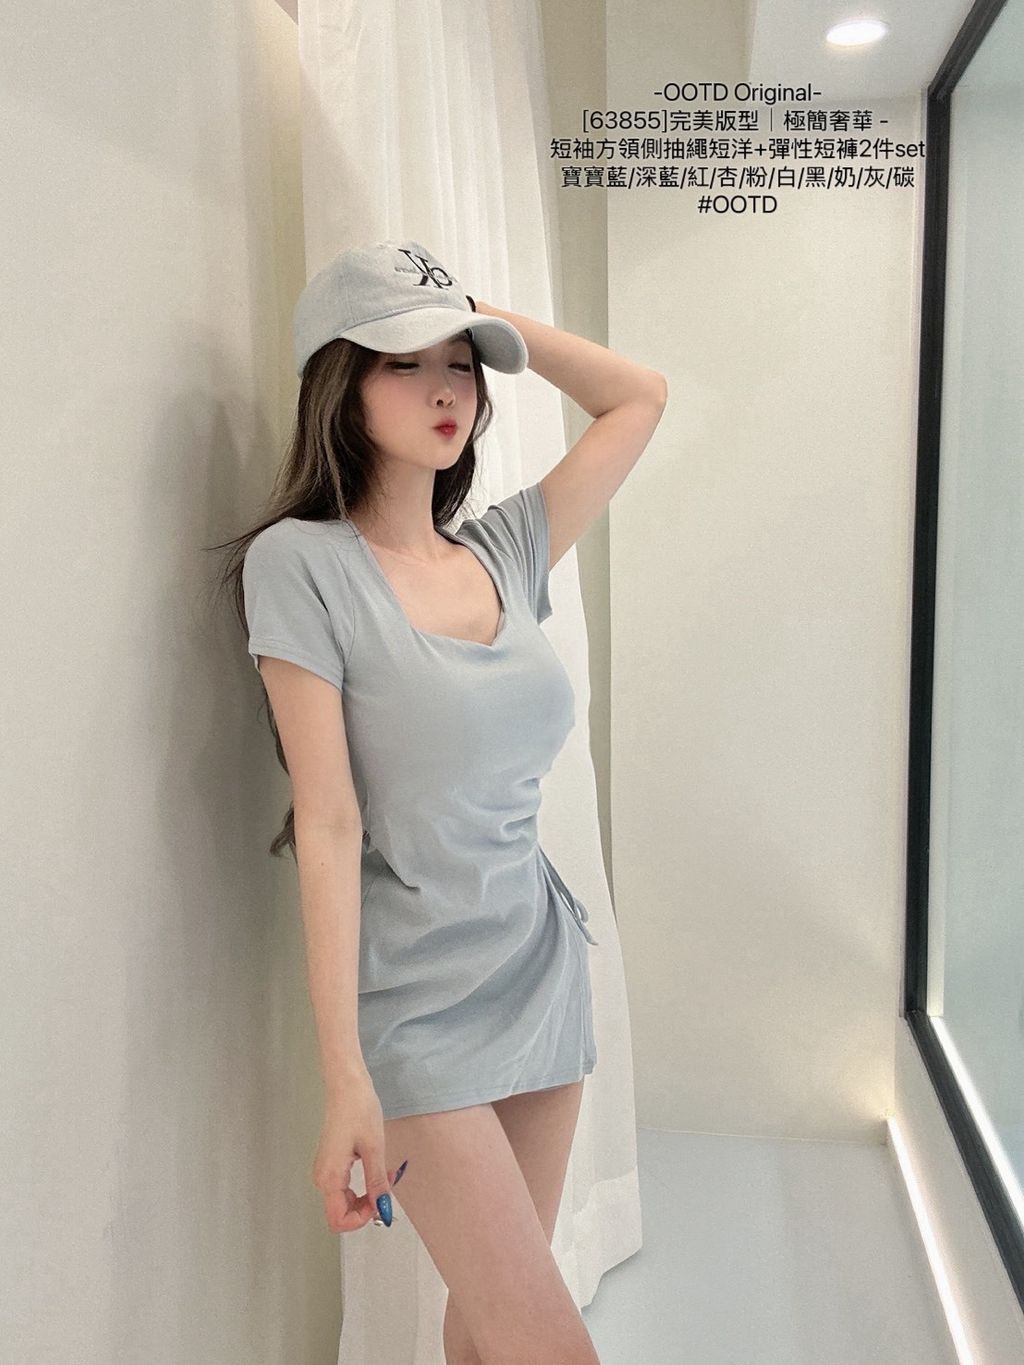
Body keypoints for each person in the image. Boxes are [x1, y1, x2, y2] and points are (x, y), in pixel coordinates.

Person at [233, 239, 667, 1364]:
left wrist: (471, 308)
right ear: (339, 382)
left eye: (462, 365)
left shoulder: (506, 549)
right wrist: (345, 1076)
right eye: (404, 361)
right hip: (416, 1008)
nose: (446, 390)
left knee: (485, 1330)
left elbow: (638, 396)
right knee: (549, 1344)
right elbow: (328, 822)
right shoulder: (300, 565)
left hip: (539, 969)